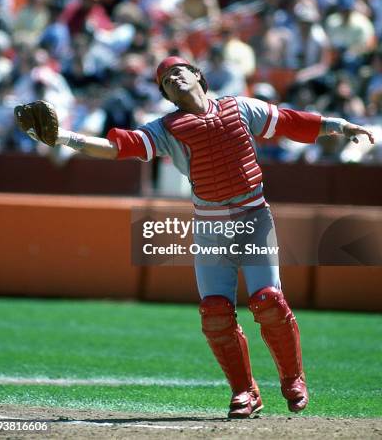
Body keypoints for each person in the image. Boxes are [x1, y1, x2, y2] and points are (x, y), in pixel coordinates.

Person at [21, 56, 374, 418]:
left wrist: (339, 126)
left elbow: (288, 121)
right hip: (211, 226)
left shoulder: (239, 107)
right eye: (165, 81)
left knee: (268, 301)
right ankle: (245, 392)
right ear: (167, 96)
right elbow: (117, 147)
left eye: (178, 71)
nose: (173, 78)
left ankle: (293, 379)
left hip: (254, 218)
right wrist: (63, 137)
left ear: (197, 76)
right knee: (215, 312)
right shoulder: (167, 128)